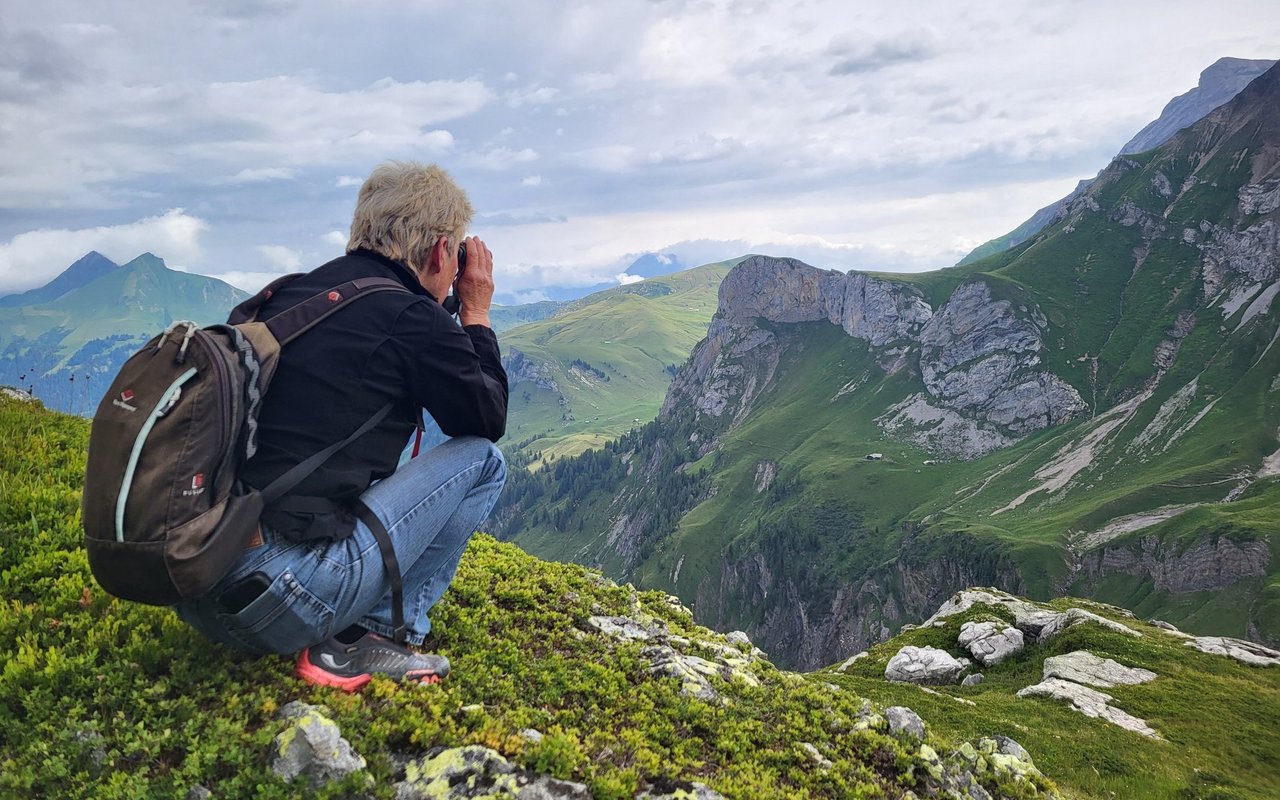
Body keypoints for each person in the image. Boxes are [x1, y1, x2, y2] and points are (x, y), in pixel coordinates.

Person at [174, 162, 507, 691]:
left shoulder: (289, 296)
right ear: (442, 251)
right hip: (283, 596)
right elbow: (486, 418)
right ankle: (371, 637)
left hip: (194, 580)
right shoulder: (409, 317)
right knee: (483, 461)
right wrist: (476, 312)